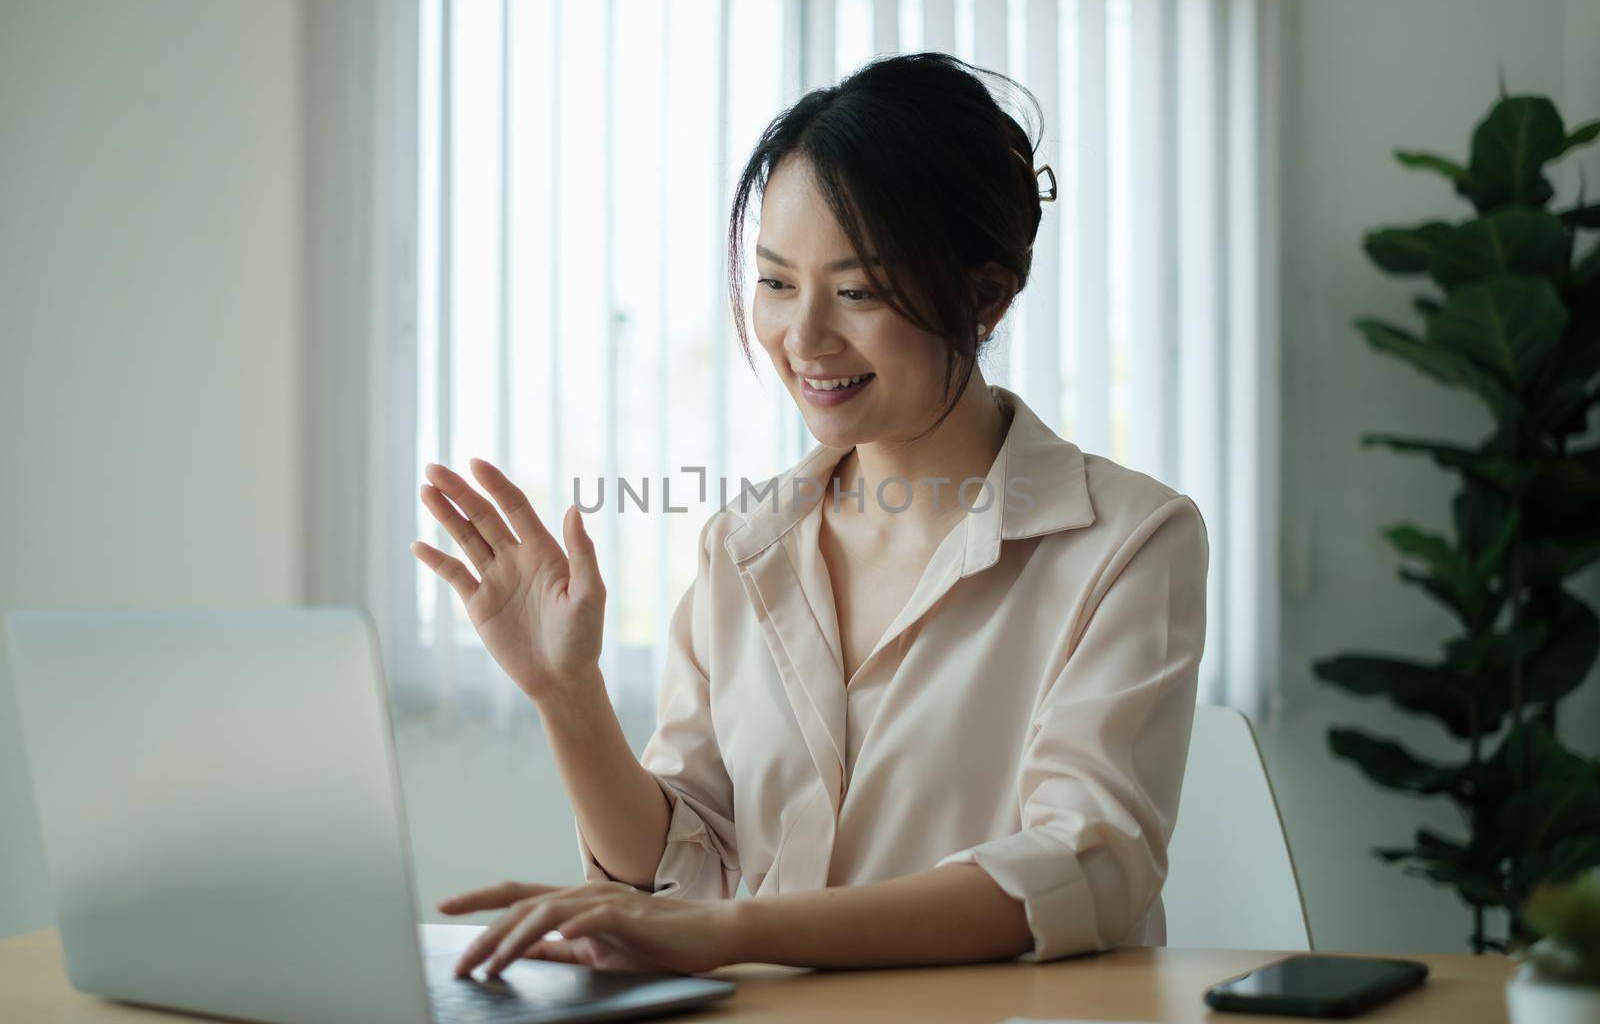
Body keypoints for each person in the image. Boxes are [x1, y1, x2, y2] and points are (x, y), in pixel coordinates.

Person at [411, 51, 1209, 979]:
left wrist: (734, 933)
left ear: (985, 293)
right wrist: (566, 693)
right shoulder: (744, 546)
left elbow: (1085, 865)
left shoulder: (1128, 540)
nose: (804, 337)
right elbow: (683, 872)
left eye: (859, 291)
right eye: (778, 282)